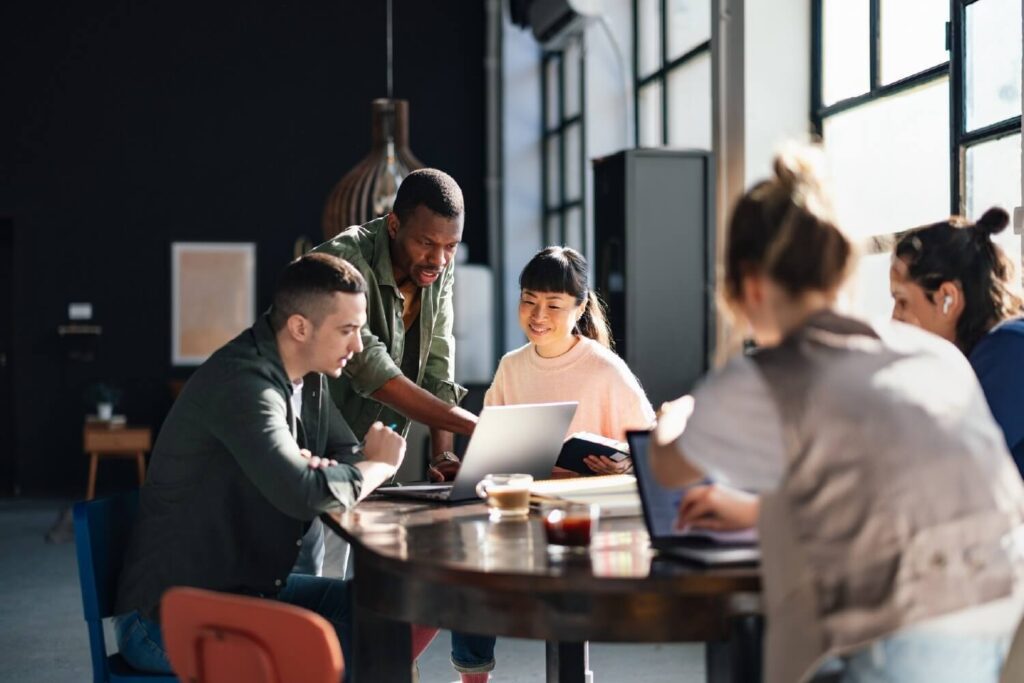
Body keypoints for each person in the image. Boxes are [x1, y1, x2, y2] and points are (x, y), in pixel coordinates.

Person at [650, 146, 1024, 683]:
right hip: (999, 624)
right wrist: (755, 511)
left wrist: (678, 413)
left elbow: (667, 468)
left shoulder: (771, 374)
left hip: (905, 640)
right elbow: (883, 487)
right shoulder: (933, 355)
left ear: (749, 286)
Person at [113, 253, 435, 676]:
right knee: (359, 651)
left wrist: (332, 471)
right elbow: (307, 493)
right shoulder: (242, 384)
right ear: (300, 327)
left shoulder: (312, 375)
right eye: (347, 331)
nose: (357, 347)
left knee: (393, 617)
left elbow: (342, 456)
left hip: (249, 588)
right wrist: (379, 466)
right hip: (169, 617)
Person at [450, 246, 655, 682]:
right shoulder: (511, 367)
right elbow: (492, 447)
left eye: (554, 305)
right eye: (529, 300)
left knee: (556, 587)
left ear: (579, 308)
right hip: (521, 512)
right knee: (464, 566)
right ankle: (472, 676)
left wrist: (621, 468)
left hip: (582, 524)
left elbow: (652, 452)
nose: (537, 315)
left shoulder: (606, 370)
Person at [314, 168, 477, 481]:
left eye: (451, 246)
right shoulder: (342, 261)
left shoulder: (439, 267)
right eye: (426, 242)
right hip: (312, 455)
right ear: (393, 225)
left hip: (376, 468)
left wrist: (443, 455)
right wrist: (477, 428)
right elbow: (373, 371)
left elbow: (437, 363)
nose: (439, 260)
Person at [891, 207, 1024, 474]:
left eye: (902, 301)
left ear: (947, 298)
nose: (895, 318)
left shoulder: (1009, 351)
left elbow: (942, 471)